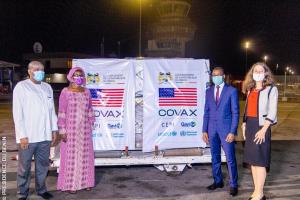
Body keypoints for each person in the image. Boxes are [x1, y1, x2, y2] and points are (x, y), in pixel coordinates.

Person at [13, 61, 58, 200]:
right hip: (28, 136)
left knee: (43, 166)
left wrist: (54, 130)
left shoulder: (47, 87)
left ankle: (41, 189)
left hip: (45, 136)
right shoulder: (21, 87)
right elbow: (17, 113)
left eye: (42, 69)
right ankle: (22, 193)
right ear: (29, 71)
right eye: (36, 69)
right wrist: (22, 135)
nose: (40, 72)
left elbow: (52, 112)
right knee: (24, 167)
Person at [242, 62, 278, 200]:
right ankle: (256, 191)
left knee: (260, 161)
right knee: (253, 161)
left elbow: (272, 111)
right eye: (255, 71)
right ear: (252, 74)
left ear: (266, 74)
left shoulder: (271, 89)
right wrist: (244, 124)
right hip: (250, 126)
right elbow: (247, 110)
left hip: (262, 126)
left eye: (260, 71)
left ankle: (260, 193)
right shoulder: (250, 90)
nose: (257, 73)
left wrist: (263, 130)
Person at [57, 67, 95, 193]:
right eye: (76, 74)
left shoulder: (87, 92)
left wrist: (92, 123)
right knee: (71, 158)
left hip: (84, 130)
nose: (78, 77)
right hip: (70, 130)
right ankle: (71, 185)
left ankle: (86, 182)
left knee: (85, 156)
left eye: (80, 75)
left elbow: (90, 109)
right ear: (71, 76)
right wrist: (62, 130)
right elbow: (62, 111)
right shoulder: (65, 92)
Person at [202, 67, 239, 196]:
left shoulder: (231, 91)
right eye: (213, 75)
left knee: (230, 159)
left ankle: (234, 185)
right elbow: (206, 112)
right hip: (212, 130)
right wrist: (204, 130)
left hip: (226, 131)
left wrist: (232, 131)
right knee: (215, 157)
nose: (215, 77)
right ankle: (218, 181)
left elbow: (235, 113)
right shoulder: (208, 91)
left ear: (223, 76)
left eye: (218, 75)